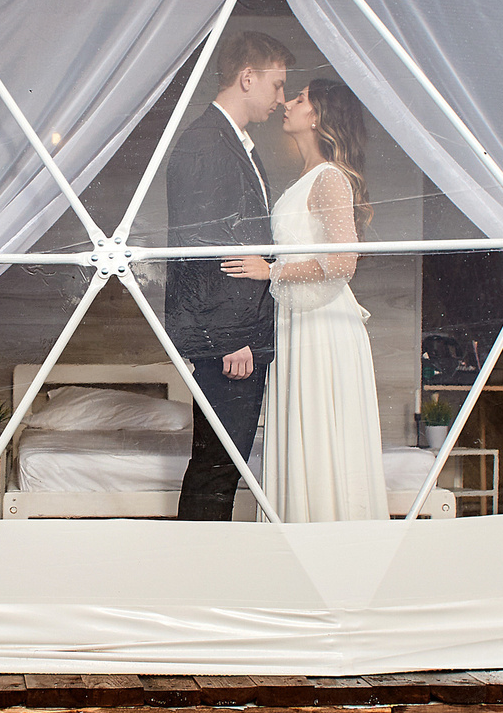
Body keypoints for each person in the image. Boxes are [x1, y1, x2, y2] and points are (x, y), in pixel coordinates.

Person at [222, 78, 389, 521]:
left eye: (299, 99)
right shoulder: (308, 177)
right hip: (299, 321)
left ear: (316, 116)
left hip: (322, 323)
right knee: (306, 434)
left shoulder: (330, 177)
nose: (288, 105)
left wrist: (270, 268)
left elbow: (343, 262)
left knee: (321, 433)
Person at [165, 30, 287, 520]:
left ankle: (201, 569)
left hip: (242, 333)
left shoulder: (236, 143)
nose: (280, 99)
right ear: (247, 77)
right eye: (277, 86)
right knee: (218, 464)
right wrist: (228, 338)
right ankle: (195, 574)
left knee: (223, 465)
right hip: (230, 341)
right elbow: (198, 250)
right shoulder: (204, 143)